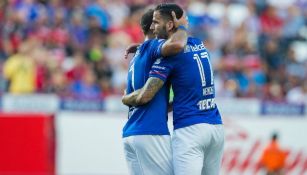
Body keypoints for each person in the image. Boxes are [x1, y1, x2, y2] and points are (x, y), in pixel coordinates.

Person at [122, 3, 224, 175]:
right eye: (152, 23)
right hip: (215, 126)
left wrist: (125, 99)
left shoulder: (168, 55)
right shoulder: (200, 45)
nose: (154, 27)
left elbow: (146, 96)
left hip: (188, 129)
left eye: (156, 22)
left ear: (170, 24)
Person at [122, 7, 188, 175]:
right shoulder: (152, 47)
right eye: (158, 22)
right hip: (150, 132)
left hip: (131, 133)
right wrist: (181, 27)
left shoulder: (138, 55)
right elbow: (178, 44)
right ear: (153, 27)